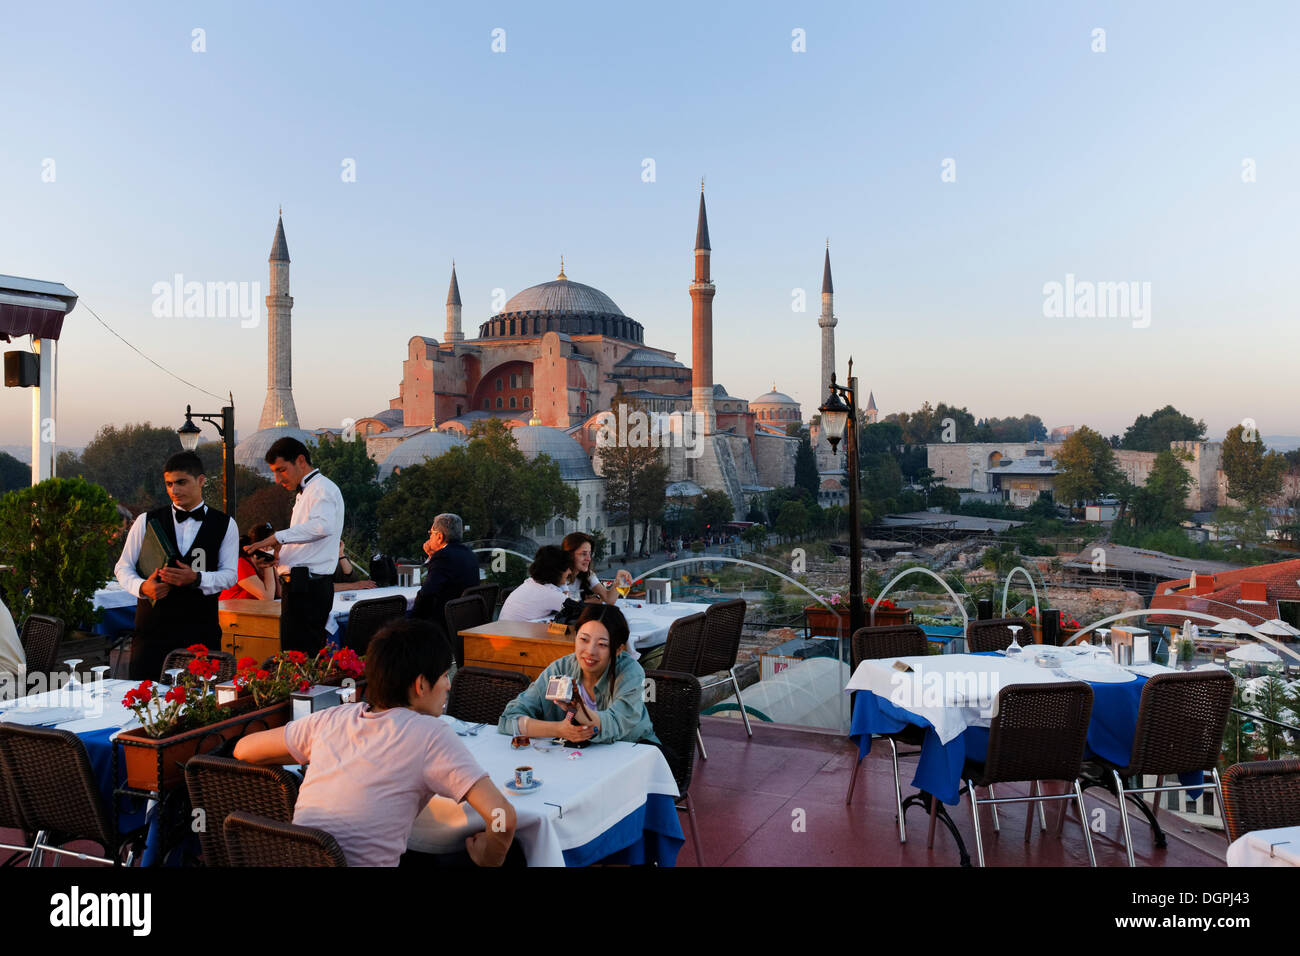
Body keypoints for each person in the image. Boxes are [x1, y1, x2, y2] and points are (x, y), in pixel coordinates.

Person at [234, 618, 517, 866]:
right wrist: (488, 860)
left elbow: (243, 750)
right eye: (444, 675)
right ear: (420, 685)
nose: (449, 685)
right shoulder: (430, 734)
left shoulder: (330, 720)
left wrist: (314, 753)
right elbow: (502, 817)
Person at [114, 451, 238, 680]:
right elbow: (122, 567)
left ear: (201, 481)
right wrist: (143, 587)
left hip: (200, 630)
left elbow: (230, 575)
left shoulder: (225, 524)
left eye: (181, 482)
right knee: (145, 703)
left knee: (199, 704)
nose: (174, 490)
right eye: (169, 484)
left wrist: (197, 578)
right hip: (152, 631)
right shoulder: (146, 520)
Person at [498, 604, 658, 745]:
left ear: (618, 650)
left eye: (602, 644)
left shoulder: (631, 673)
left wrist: (577, 709)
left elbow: (614, 725)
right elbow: (509, 719)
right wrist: (557, 730)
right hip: (578, 757)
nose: (590, 652)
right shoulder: (561, 668)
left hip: (636, 753)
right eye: (584, 639)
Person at [248, 437, 343, 654]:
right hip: (301, 586)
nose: (276, 478)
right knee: (293, 657)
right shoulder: (308, 491)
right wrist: (274, 555)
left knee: (300, 660)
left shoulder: (322, 489)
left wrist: (278, 538)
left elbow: (322, 527)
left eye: (281, 470)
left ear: (300, 461)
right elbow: (306, 545)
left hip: (309, 589)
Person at [410, 513, 479, 627]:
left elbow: (426, 594)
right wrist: (433, 556)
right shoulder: (469, 553)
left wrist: (410, 621)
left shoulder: (443, 556)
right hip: (465, 619)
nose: (430, 537)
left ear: (440, 537)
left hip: (443, 623)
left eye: (431, 533)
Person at [497, 546, 573, 623]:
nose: (570, 572)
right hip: (515, 634)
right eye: (567, 568)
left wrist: (563, 584)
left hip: (502, 632)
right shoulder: (548, 593)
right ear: (557, 571)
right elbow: (580, 612)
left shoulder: (531, 583)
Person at [560, 532, 631, 605]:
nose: (588, 559)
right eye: (583, 554)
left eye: (589, 554)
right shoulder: (558, 577)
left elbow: (608, 599)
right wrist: (585, 603)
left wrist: (618, 580)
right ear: (569, 555)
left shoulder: (588, 575)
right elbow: (561, 606)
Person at [219, 526, 279, 601]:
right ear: (264, 547)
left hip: (252, 610)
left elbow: (279, 594)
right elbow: (267, 598)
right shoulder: (241, 564)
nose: (278, 551)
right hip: (231, 611)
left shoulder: (265, 567)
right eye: (275, 546)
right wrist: (268, 565)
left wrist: (275, 569)